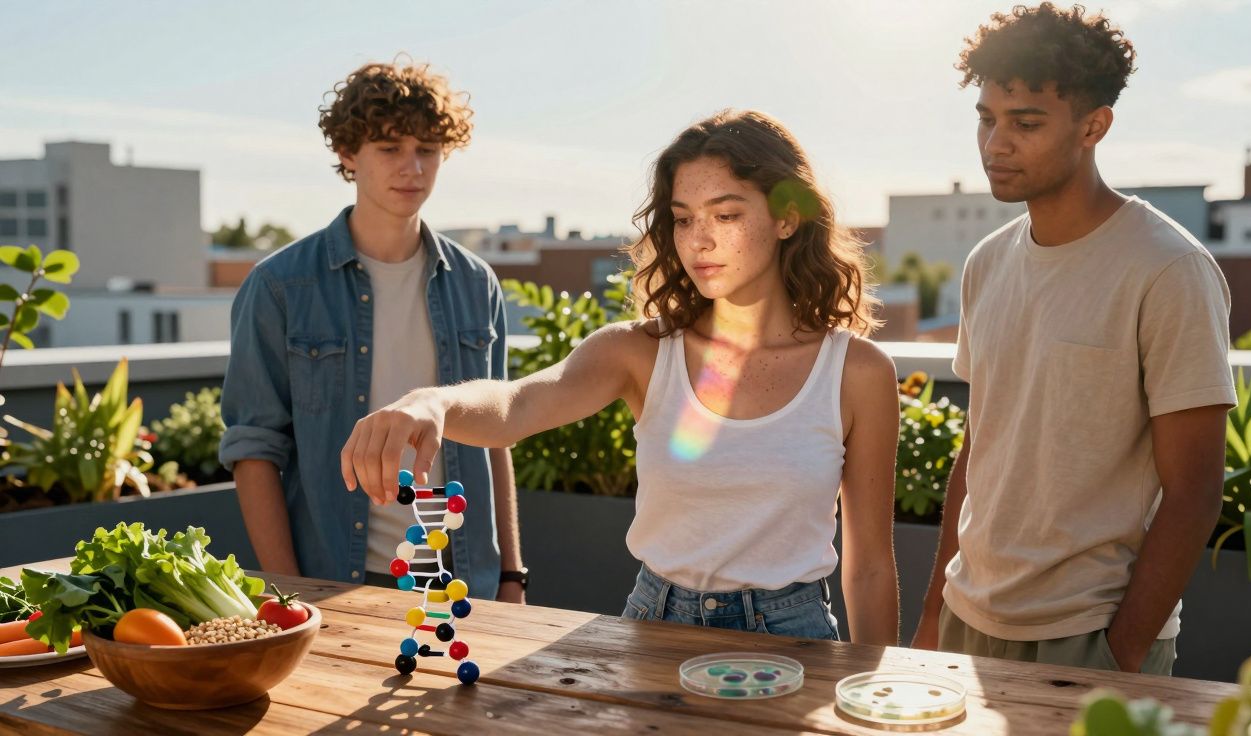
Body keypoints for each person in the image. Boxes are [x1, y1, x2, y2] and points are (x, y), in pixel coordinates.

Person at [340, 109, 901, 644]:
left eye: (726, 215)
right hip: (654, 625)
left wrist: (881, 692)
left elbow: (871, 565)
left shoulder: (858, 372)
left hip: (796, 636)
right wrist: (429, 404)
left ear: (786, 216)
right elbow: (516, 406)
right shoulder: (639, 352)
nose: (699, 240)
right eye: (683, 219)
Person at [911, 3, 1236, 674]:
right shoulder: (986, 264)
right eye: (986, 119)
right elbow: (980, 447)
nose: (995, 145)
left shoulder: (1168, 269)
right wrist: (933, 611)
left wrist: (1121, 653)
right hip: (969, 619)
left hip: (1089, 635)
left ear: (1094, 126)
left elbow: (1197, 489)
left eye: (1025, 123)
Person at [219, 60, 526, 603]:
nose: (412, 167)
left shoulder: (477, 283)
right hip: (335, 583)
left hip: (462, 581)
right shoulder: (279, 286)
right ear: (347, 154)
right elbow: (254, 449)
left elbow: (496, 435)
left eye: (427, 149)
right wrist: (289, 591)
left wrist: (511, 576)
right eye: (389, 148)